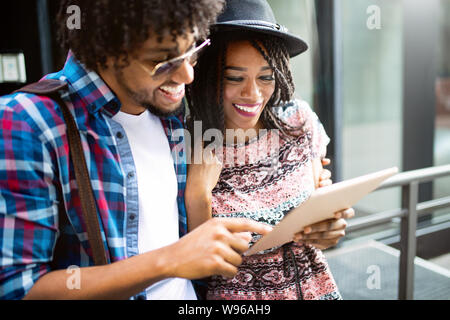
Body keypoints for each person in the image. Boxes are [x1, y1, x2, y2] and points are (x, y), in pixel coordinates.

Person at [0, 0, 273, 300]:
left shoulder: (172, 114)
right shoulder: (28, 122)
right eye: (163, 61)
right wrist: (170, 260)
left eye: (193, 49)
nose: (186, 75)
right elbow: (20, 289)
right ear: (105, 49)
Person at [185, 0, 354, 300]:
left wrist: (331, 227)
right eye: (234, 78)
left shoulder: (298, 122)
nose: (253, 94)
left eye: (266, 77)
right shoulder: (191, 142)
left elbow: (321, 211)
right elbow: (200, 267)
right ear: (208, 76)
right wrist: (198, 193)